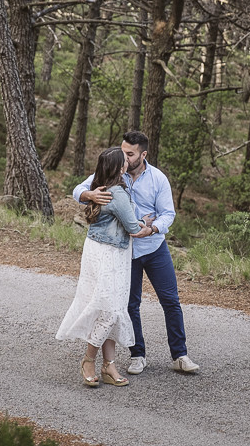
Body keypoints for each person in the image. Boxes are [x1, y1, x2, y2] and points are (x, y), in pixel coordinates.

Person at [74, 130, 200, 375]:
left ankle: (180, 355)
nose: (125, 157)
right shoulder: (114, 171)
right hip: (124, 252)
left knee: (170, 301)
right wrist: (89, 194)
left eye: (130, 154)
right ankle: (137, 355)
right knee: (131, 304)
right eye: (123, 152)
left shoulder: (158, 179)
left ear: (143, 155)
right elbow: (78, 190)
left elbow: (168, 214)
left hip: (154, 248)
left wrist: (152, 229)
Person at [56, 147, 143, 387]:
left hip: (97, 250)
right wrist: (146, 224)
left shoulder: (103, 185)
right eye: (124, 160)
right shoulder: (118, 193)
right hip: (111, 255)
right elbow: (133, 228)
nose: (128, 162)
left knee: (108, 308)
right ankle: (89, 360)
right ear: (119, 167)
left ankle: (109, 365)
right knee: (111, 310)